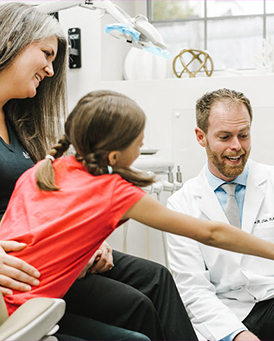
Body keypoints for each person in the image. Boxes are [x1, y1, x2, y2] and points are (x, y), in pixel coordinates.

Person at [0, 90, 274, 320]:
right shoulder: (117, 191)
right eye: (139, 142)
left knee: (152, 284)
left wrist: (89, 248)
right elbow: (211, 234)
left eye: (243, 135)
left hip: (11, 302)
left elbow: (50, 229)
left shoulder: (45, 169)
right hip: (26, 312)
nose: (237, 146)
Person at [0, 3, 191, 340]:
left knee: (157, 279)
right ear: (12, 40)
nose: (49, 70)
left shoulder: (18, 124)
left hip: (51, 247)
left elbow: (51, 197)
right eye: (45, 54)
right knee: (136, 308)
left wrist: (90, 240)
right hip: (22, 268)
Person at [166, 88, 274, 341]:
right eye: (225, 137)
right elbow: (194, 290)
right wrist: (236, 335)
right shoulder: (181, 205)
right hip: (225, 310)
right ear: (201, 137)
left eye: (244, 135)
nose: (237, 146)